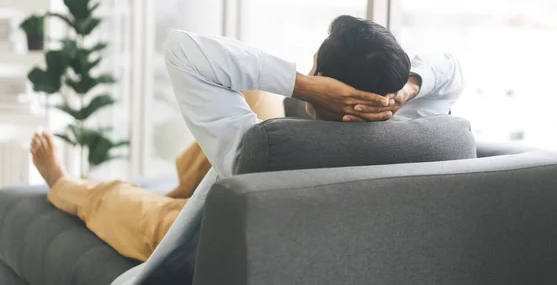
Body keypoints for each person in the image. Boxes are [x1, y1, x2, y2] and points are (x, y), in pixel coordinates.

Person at [30, 15, 464, 280]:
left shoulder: (265, 152)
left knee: (113, 198)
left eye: (315, 70)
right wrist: (408, 90)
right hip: (273, 187)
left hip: (210, 228)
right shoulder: (420, 131)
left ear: (329, 90)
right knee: (255, 98)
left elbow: (184, 51)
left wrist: (305, 85)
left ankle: (61, 183)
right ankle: (186, 185)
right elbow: (451, 68)